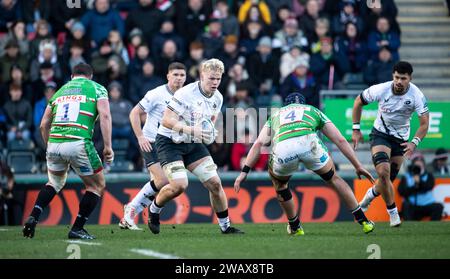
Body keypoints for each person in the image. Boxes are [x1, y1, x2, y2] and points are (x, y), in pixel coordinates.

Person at [234, 92, 375, 235]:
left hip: (284, 148)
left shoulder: (276, 115)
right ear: (303, 103)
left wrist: (244, 172)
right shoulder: (313, 110)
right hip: (309, 144)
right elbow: (340, 140)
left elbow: (258, 143)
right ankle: (363, 220)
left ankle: (295, 226)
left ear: (286, 105)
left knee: (280, 185)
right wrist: (358, 166)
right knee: (333, 178)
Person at [150, 58, 243, 235]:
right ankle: (154, 209)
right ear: (201, 76)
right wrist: (192, 130)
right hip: (169, 142)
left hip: (193, 142)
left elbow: (209, 122)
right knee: (179, 186)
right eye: (211, 78)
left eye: (218, 78)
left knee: (215, 183)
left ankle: (226, 227)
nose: (215, 82)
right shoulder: (185, 93)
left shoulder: (218, 98)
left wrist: (211, 133)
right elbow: (167, 120)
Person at [22, 63, 114, 240]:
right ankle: (77, 228)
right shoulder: (97, 88)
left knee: (54, 182)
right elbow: (105, 115)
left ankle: (34, 215)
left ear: (72, 76)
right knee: (97, 185)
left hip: (54, 143)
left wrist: (50, 146)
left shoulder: (61, 90)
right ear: (90, 77)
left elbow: (43, 124)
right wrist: (108, 147)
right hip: (78, 141)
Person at [352, 61, 429, 227]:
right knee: (384, 172)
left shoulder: (417, 95)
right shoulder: (381, 89)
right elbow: (358, 101)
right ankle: (393, 213)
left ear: (410, 78)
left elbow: (424, 124)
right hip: (380, 134)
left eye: (403, 78)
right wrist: (356, 129)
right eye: (396, 77)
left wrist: (414, 143)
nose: (399, 81)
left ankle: (368, 197)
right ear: (392, 76)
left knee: (386, 180)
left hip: (401, 139)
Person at [119, 62, 187, 230]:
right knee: (163, 181)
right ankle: (131, 209)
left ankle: (128, 215)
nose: (179, 78)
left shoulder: (186, 96)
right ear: (168, 76)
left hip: (170, 145)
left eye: (182, 75)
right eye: (175, 75)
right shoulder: (156, 93)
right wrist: (140, 137)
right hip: (151, 142)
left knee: (158, 186)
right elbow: (135, 112)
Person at [398, 154, 444, 221]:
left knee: (439, 207)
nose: (419, 163)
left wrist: (420, 181)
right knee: (405, 205)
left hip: (427, 205)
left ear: (424, 164)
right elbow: (401, 192)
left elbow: (429, 187)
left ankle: (433, 226)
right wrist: (414, 186)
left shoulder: (428, 175)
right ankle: (409, 226)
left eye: (421, 161)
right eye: (416, 161)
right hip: (413, 205)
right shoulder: (406, 176)